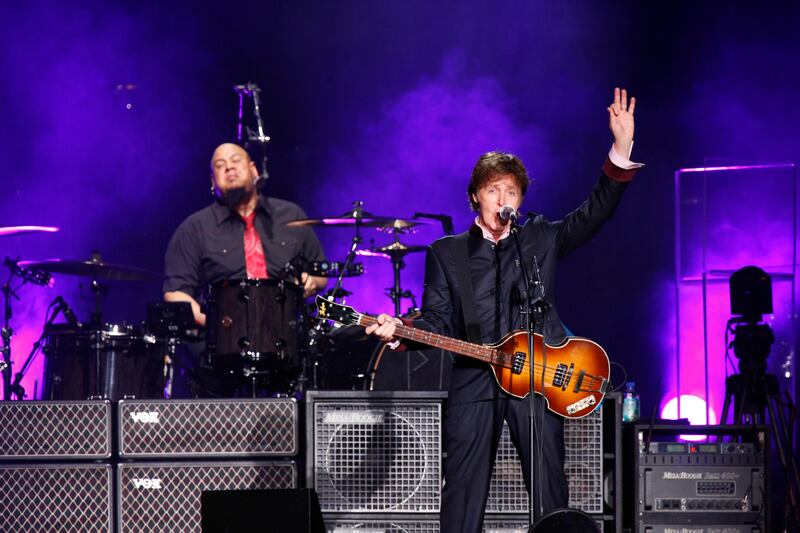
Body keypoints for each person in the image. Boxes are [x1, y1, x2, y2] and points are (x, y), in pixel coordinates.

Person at [366, 87, 642, 532]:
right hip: (475, 379)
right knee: (462, 491)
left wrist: (621, 148)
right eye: (493, 189)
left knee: (551, 490)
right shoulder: (447, 252)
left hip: (537, 379)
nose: (502, 198)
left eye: (510, 190)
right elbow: (436, 319)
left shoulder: (539, 238)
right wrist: (399, 332)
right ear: (475, 195)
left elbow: (595, 214)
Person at [162, 142, 327, 397]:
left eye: (235, 160)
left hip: (287, 344)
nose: (228, 167)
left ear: (254, 170)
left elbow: (321, 274)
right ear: (212, 181)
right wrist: (216, 323)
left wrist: (311, 281)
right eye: (220, 165)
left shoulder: (291, 215)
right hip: (219, 354)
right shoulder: (194, 228)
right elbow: (175, 293)